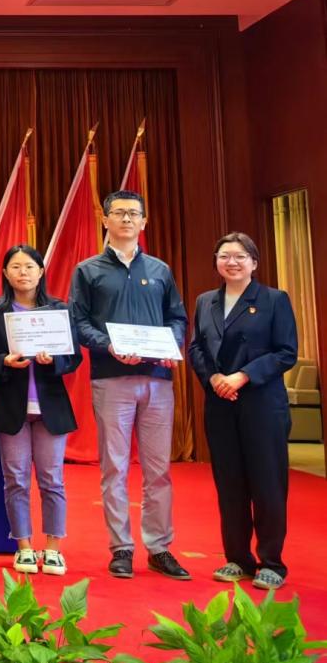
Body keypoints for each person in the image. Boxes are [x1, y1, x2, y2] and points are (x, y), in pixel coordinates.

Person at [70, 189, 190, 580]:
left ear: (144, 221)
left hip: (158, 380)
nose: (126, 219)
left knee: (158, 470)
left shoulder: (160, 270)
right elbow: (78, 323)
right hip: (112, 379)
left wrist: (172, 345)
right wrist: (110, 345)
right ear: (104, 220)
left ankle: (160, 547)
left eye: (133, 213)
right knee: (114, 468)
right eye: (118, 213)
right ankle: (120, 547)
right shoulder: (88, 270)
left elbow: (177, 318)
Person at [188, 232, 298, 590]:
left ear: (254, 262)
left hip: (262, 404)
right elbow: (196, 348)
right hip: (220, 403)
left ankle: (271, 562)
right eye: (224, 256)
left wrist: (243, 376)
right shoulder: (206, 301)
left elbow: (286, 352)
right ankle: (237, 558)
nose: (231, 262)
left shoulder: (274, 299)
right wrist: (214, 378)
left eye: (239, 256)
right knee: (230, 484)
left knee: (267, 483)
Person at [0, 244, 81, 576]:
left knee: (52, 480)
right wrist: (3, 361)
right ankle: (23, 546)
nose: (23, 272)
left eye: (29, 267)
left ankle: (53, 548)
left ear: (41, 272)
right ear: (5, 273)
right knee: (16, 480)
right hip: (11, 405)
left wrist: (55, 361)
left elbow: (74, 356)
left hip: (50, 406)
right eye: (16, 267)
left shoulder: (59, 309)